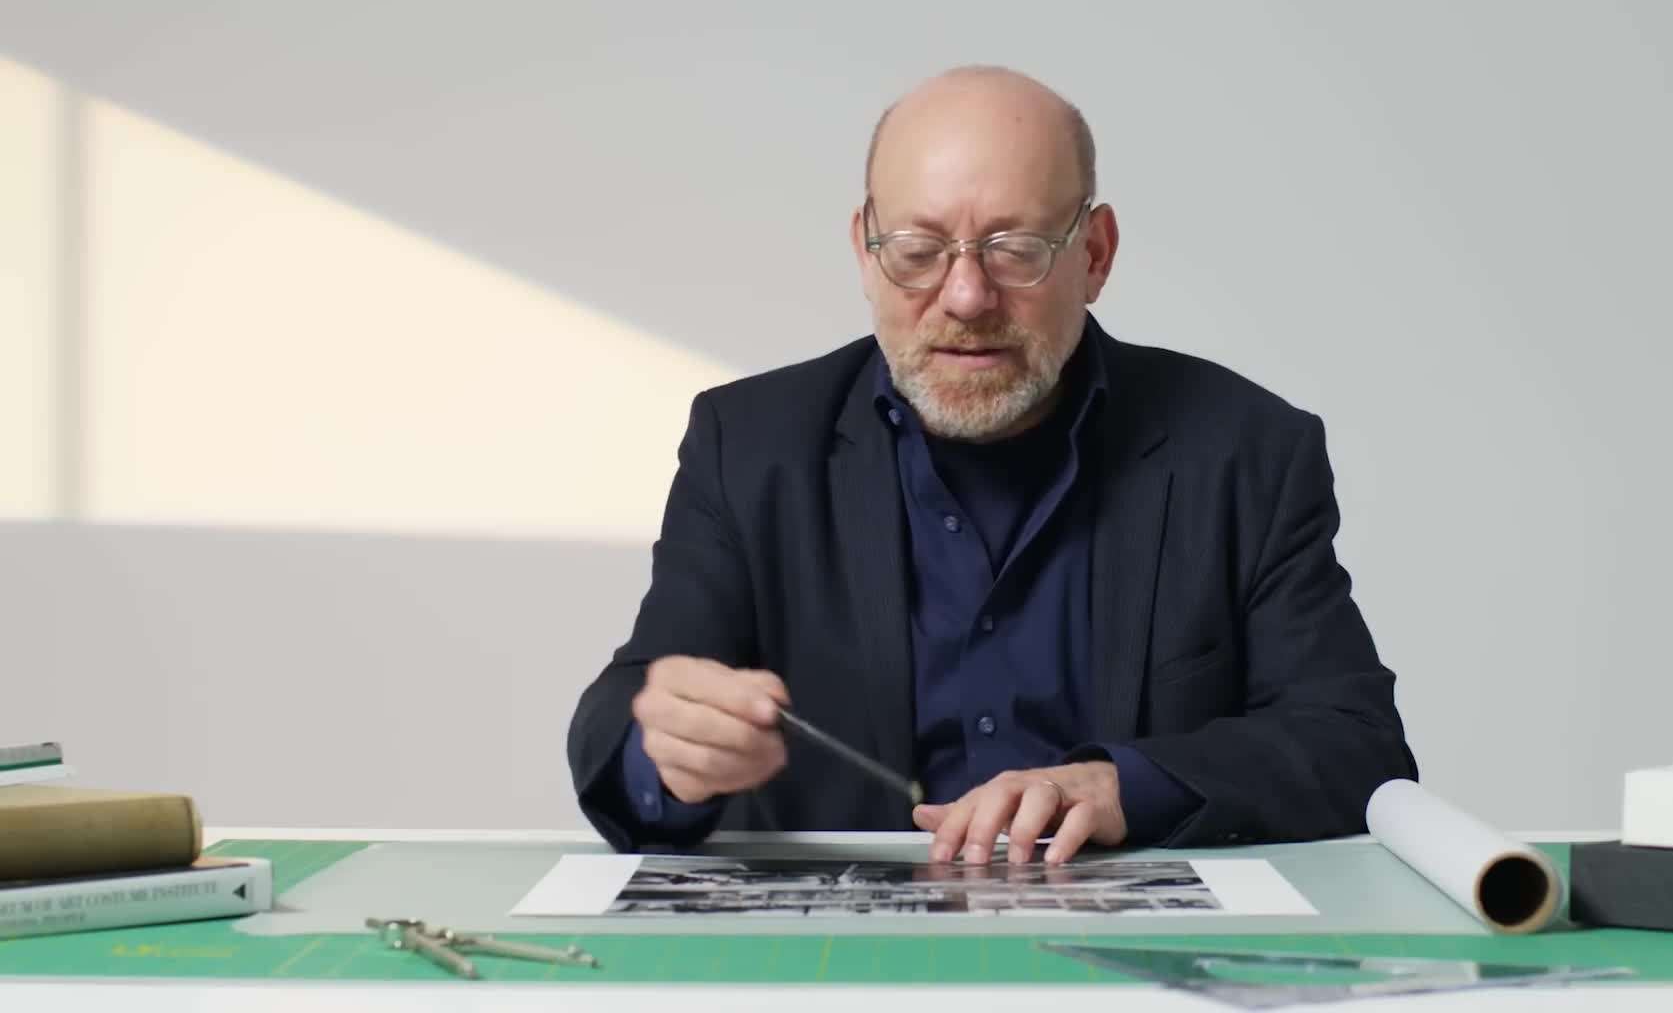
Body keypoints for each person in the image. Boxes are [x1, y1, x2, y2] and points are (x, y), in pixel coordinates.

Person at [567, 65, 1415, 866]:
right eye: (917, 249)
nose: (967, 297)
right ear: (865, 251)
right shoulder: (748, 444)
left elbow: (1354, 746)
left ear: (1095, 254)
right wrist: (665, 753)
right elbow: (623, 719)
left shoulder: (1246, 451)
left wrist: (1121, 787)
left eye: (1015, 248)